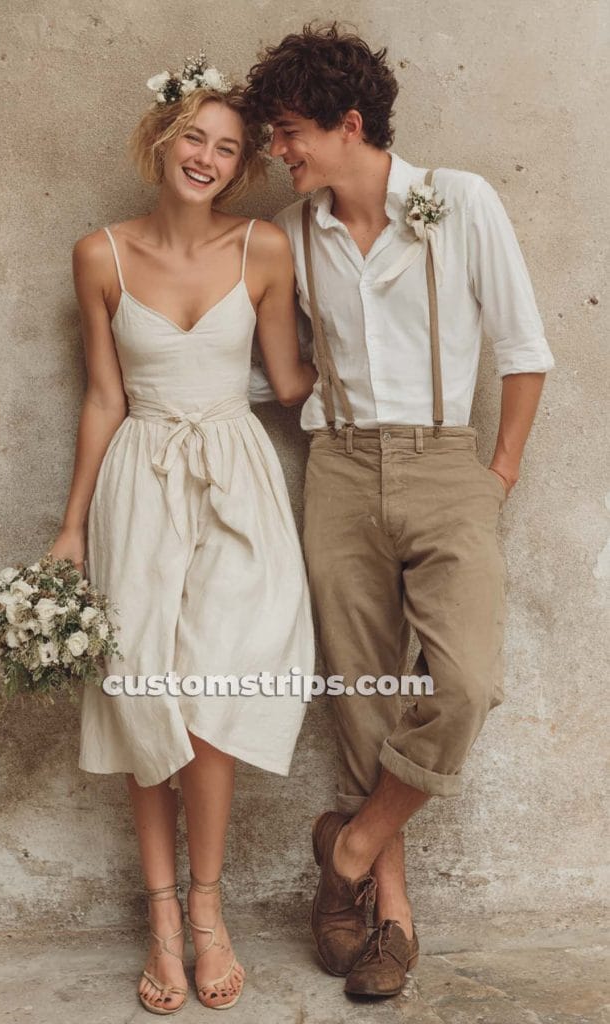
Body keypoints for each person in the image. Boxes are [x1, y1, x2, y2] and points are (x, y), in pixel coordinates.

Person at [245, 23, 555, 999]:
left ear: (347, 123)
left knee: (462, 683)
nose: (275, 151)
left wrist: (494, 474)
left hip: (441, 463)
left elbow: (521, 348)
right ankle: (389, 917)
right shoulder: (292, 233)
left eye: (287, 131)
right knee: (363, 696)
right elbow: (279, 375)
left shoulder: (456, 202)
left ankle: (349, 845)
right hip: (335, 469)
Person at [49, 56, 316, 1015]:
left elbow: (288, 383)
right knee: (146, 699)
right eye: (193, 138)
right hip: (141, 481)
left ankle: (207, 911)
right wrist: (72, 528)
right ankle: (162, 917)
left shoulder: (263, 249)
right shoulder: (99, 255)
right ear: (163, 141)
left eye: (228, 148)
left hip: (239, 482)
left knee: (212, 703)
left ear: (243, 167)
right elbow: (103, 395)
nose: (206, 157)